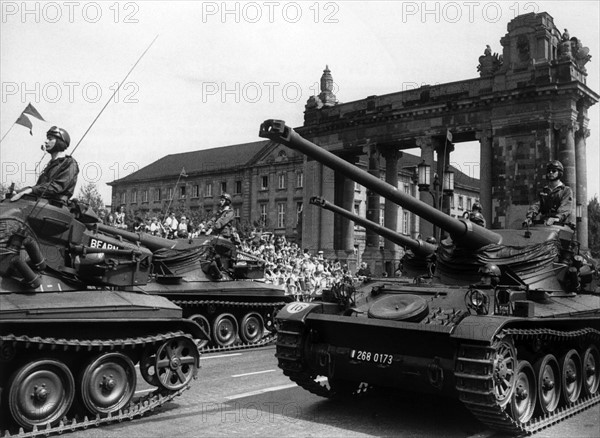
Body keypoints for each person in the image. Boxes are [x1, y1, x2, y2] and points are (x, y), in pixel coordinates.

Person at [10, 126, 78, 203]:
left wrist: (31, 190)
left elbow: (57, 187)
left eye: (50, 139)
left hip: (56, 205)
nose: (45, 141)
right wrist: (20, 191)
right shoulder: (52, 164)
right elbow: (40, 187)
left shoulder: (69, 163)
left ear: (60, 141)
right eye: (46, 138)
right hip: (43, 202)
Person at [524, 160, 574, 228]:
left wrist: (557, 217)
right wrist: (529, 217)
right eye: (549, 171)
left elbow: (565, 208)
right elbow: (536, 205)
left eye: (554, 171)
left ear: (559, 173)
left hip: (560, 225)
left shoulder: (566, 190)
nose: (550, 173)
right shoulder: (543, 191)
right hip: (543, 224)